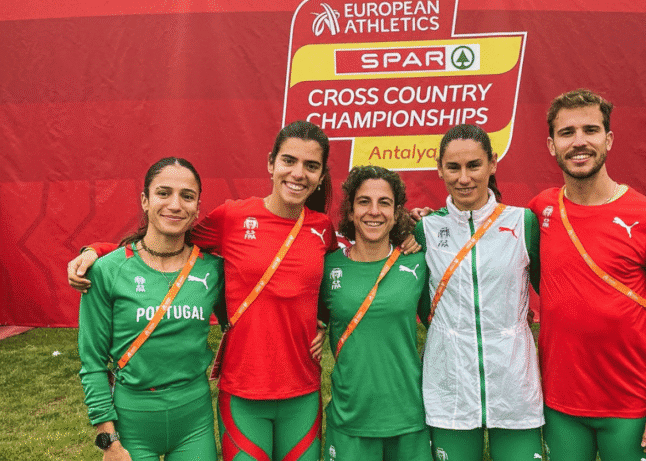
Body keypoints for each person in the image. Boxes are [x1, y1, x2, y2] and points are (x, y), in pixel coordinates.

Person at [70, 121, 336, 461]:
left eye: (311, 166)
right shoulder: (232, 218)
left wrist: (323, 323)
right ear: (271, 163)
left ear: (321, 175)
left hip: (302, 385)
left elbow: (340, 277)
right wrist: (96, 251)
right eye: (289, 161)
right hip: (243, 389)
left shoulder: (322, 228)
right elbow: (165, 239)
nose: (298, 173)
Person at [528, 89, 646, 460]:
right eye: (566, 132)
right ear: (551, 145)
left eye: (590, 130)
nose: (579, 142)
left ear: (608, 139)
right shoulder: (541, 209)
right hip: (558, 404)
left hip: (628, 406)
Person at [78, 157, 225, 460]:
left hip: (194, 421)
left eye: (187, 196)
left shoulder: (214, 269)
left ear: (197, 207)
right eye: (163, 193)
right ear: (145, 200)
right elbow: (92, 362)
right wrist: (109, 441)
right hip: (132, 424)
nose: (175, 204)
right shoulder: (106, 271)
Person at [414, 124, 545, 460]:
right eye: (453, 167)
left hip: (513, 382)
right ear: (439, 168)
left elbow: (556, 291)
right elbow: (417, 301)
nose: (464, 178)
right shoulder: (425, 229)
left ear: (493, 164)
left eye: (474, 165)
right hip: (450, 385)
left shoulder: (523, 223)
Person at [318, 166, 433, 461]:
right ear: (351, 211)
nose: (374, 211)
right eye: (364, 201)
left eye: (384, 203)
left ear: (396, 213)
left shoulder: (419, 260)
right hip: (351, 419)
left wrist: (427, 223)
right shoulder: (328, 266)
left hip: (408, 417)